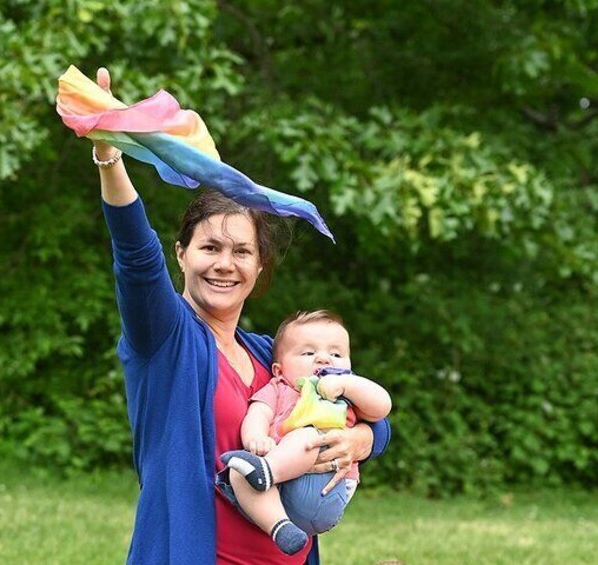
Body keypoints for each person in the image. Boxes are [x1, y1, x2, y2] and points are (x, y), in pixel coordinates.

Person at [87, 68, 391, 564]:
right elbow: (136, 259)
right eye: (210, 247)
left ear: (259, 266)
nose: (225, 264)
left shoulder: (271, 352)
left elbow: (372, 416)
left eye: (241, 252)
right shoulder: (166, 340)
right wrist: (109, 156)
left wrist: (359, 439)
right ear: (181, 254)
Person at [221, 310, 392, 555]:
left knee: (308, 435)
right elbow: (258, 414)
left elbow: (382, 407)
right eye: (308, 353)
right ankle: (280, 527)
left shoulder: (349, 393)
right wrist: (255, 438)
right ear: (279, 370)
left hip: (326, 485)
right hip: (275, 496)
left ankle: (269, 472)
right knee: (239, 470)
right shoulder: (278, 388)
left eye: (336, 354)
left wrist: (347, 385)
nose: (324, 359)